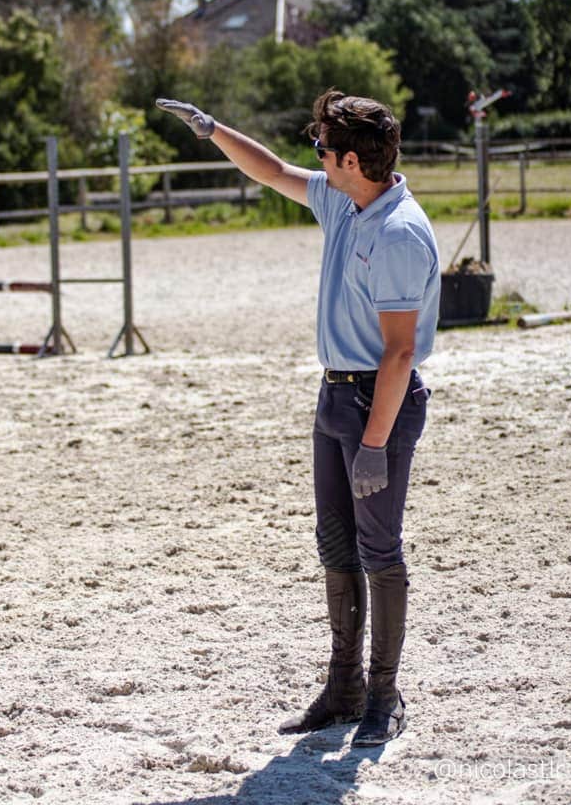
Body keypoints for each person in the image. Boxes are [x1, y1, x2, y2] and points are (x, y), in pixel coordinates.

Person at [156, 90, 440, 747]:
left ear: (348, 159)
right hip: (336, 394)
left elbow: (400, 352)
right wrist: (213, 128)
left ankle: (384, 696)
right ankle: (342, 689)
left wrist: (374, 444)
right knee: (337, 547)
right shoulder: (347, 198)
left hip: (381, 404)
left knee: (379, 549)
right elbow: (275, 173)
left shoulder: (397, 233)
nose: (313, 158)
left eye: (321, 149)